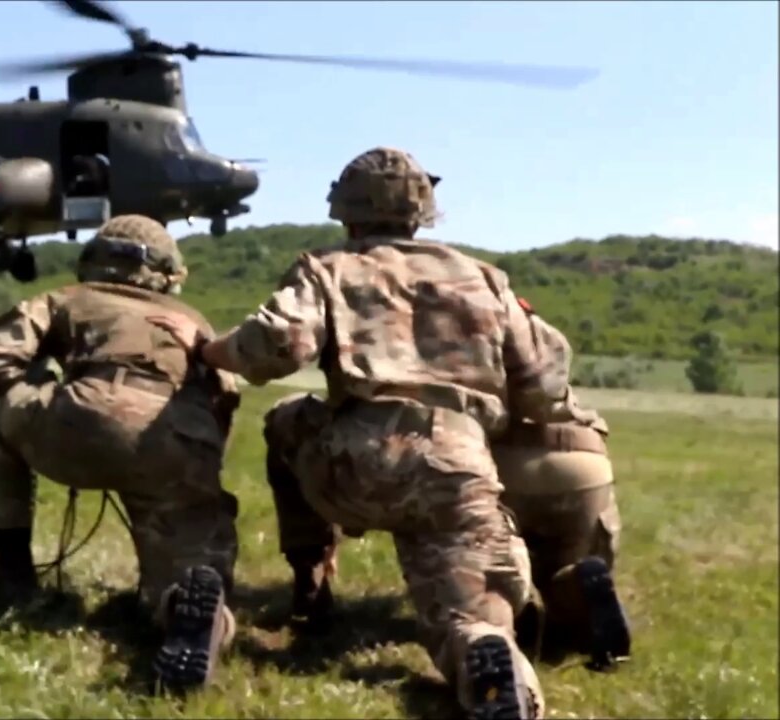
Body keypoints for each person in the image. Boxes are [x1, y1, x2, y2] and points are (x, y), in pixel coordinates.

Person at [148, 147, 578, 718]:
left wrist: (208, 350)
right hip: (457, 466)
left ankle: (309, 582)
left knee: (285, 421)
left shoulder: (328, 267)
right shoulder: (484, 278)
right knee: (472, 617)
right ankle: (487, 656)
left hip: (349, 464)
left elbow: (277, 345)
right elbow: (546, 385)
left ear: (344, 209)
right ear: (424, 209)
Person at [0, 214, 242, 693]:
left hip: (80, 421)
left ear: (94, 258)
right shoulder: (194, 322)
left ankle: (13, 573)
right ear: (168, 272)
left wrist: (38, 387)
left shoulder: (67, 299)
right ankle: (188, 610)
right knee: (185, 573)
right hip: (179, 444)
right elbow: (226, 397)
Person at [492, 312, 630, 670]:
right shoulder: (544, 337)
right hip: (582, 459)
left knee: (490, 570)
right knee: (565, 571)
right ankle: (577, 587)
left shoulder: (471, 331)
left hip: (503, 461)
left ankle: (515, 612)